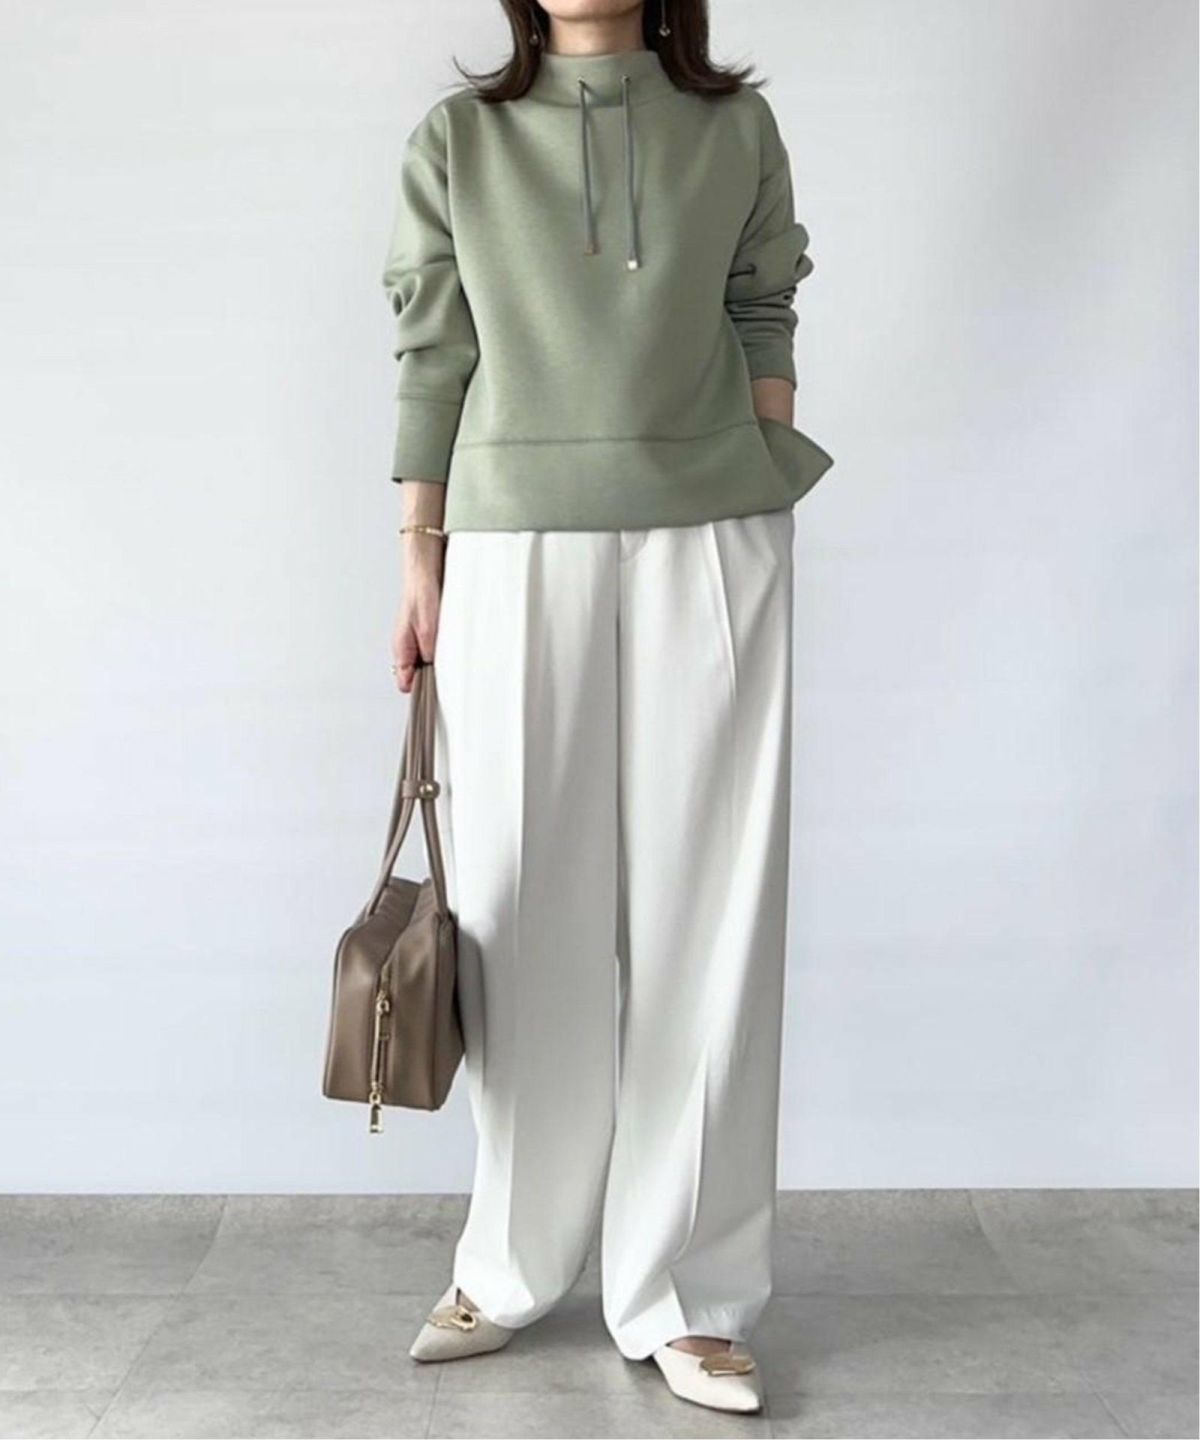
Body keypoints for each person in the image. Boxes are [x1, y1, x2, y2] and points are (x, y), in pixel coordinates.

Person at [384, 0, 832, 1414]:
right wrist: (421, 556)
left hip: (715, 533)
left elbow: (763, 300)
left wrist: (760, 453)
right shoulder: (459, 140)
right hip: (513, 540)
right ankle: (510, 1261)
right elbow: (434, 351)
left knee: (714, 906)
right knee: (521, 908)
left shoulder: (734, 127)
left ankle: (689, 1291)